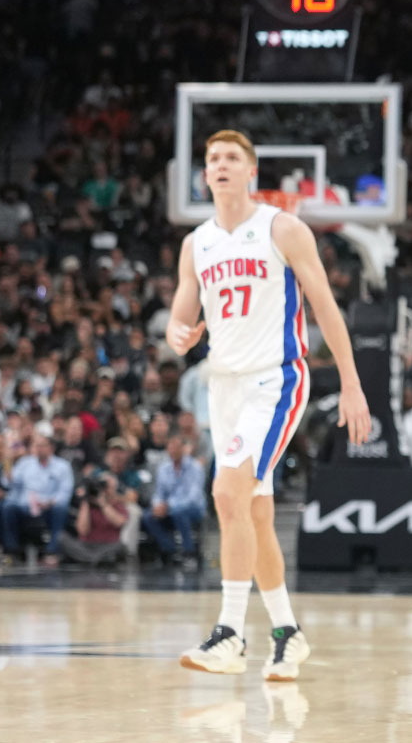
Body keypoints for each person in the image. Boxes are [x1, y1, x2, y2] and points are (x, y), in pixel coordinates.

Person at [167, 129, 372, 681]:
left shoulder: (282, 228)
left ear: (251, 171)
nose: (222, 165)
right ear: (205, 174)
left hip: (275, 379)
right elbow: (179, 318)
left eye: (233, 157)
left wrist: (351, 385)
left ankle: (230, 634)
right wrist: (176, 335)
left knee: (226, 491)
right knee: (252, 513)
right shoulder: (197, 244)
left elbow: (327, 309)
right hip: (224, 387)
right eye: (213, 159)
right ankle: (287, 633)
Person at [2, 435, 74, 565]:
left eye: (43, 446)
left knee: (61, 509)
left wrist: (51, 502)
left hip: (49, 506)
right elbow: (9, 484)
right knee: (8, 507)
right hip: (24, 506)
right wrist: (7, 464)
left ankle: (52, 551)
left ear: (51, 448)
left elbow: (65, 493)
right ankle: (12, 551)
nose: (39, 449)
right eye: (37, 446)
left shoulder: (62, 466)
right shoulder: (25, 463)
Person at [143, 435, 206, 567]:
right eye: (171, 447)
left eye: (177, 447)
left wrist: (169, 506)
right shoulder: (164, 468)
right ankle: (170, 550)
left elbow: (193, 497)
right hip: (169, 508)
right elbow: (159, 492)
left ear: (183, 448)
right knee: (148, 516)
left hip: (193, 508)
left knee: (179, 513)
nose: (173, 450)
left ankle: (189, 552)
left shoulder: (195, 467)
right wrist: (158, 505)